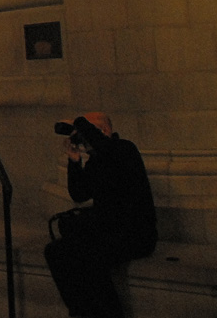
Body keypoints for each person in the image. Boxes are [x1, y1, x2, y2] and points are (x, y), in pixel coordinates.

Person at [44, 112, 157, 318]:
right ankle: (80, 311)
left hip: (135, 233)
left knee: (90, 256)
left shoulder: (124, 149)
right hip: (106, 231)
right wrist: (74, 161)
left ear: (105, 130)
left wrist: (77, 121)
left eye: (87, 130)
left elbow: (108, 151)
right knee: (55, 251)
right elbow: (79, 193)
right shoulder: (95, 161)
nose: (82, 136)